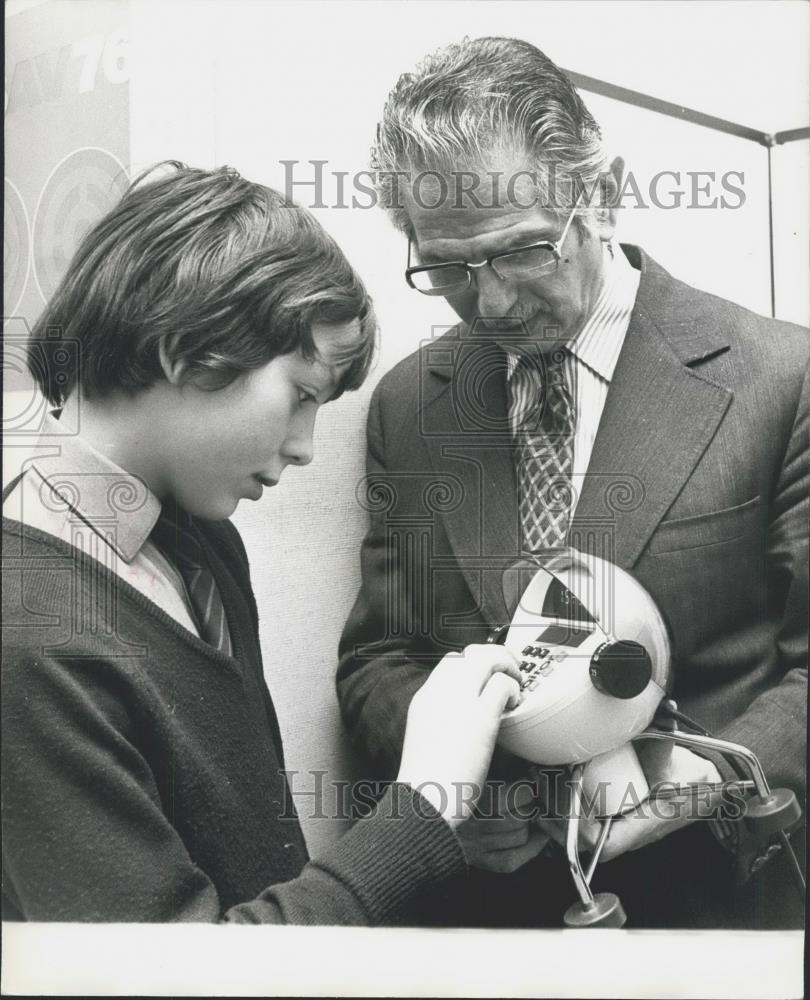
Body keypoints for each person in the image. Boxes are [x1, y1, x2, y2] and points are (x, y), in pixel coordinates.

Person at [337, 36, 807, 929]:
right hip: (489, 923)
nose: (494, 305)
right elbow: (379, 660)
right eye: (448, 268)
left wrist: (702, 778)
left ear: (603, 192)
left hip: (721, 920)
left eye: (522, 252)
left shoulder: (781, 379)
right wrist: (483, 785)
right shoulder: (410, 406)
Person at [1, 162, 526, 923]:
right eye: (302, 396)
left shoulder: (203, 545)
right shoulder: (29, 639)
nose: (307, 447)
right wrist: (420, 809)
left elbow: (246, 877)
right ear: (185, 346)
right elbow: (174, 984)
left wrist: (436, 836)